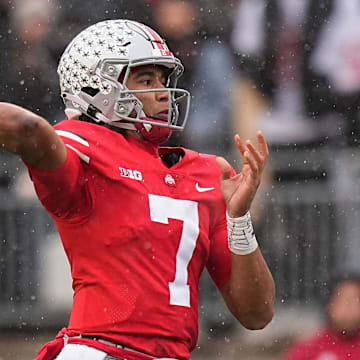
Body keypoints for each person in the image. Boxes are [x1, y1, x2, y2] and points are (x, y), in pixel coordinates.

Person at [0, 19, 275, 360]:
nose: (162, 91)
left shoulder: (207, 172)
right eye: (146, 79)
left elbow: (257, 313)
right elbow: (26, 128)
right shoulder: (84, 147)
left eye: (162, 79)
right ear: (96, 87)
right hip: (99, 350)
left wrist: (238, 219)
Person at [283, 274, 360, 359]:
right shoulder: (309, 348)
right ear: (330, 305)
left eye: (354, 301)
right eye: (343, 300)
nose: (349, 308)